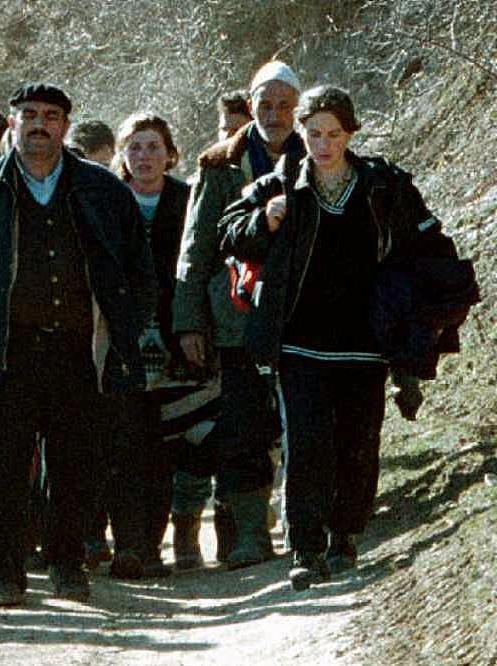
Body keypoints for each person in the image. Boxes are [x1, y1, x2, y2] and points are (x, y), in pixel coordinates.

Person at [0, 82, 156, 607]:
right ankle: (3, 572)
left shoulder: (102, 190)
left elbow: (140, 273)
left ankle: (66, 565)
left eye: (50, 116)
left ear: (65, 126)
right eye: (28, 114)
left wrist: (122, 330)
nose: (38, 124)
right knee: (0, 466)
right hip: (5, 351)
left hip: (79, 351)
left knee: (75, 464)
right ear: (11, 123)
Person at [219, 85, 451, 590]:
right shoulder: (281, 185)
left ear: (350, 134)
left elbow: (428, 243)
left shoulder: (382, 187)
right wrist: (266, 218)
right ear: (301, 134)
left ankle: (344, 536)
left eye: (333, 134)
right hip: (299, 342)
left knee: (357, 444)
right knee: (306, 444)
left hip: (366, 342)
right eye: (314, 133)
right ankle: (304, 547)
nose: (322, 144)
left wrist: (421, 318)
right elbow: (229, 231)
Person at [171, 60, 302, 569]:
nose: (274, 114)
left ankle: (304, 522)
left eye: (284, 105)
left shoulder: (315, 152)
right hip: (233, 317)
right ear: (251, 107)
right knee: (243, 423)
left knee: (298, 418)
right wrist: (188, 321)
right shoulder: (218, 164)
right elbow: (195, 246)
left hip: (298, 312)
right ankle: (250, 534)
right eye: (264, 105)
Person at [100, 113, 199, 578]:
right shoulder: (108, 201)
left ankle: (152, 544)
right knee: (123, 440)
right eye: (134, 147)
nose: (143, 157)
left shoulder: (187, 200)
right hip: (120, 340)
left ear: (170, 154)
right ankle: (127, 544)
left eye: (153, 147)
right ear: (122, 155)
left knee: (162, 445)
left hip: (174, 339)